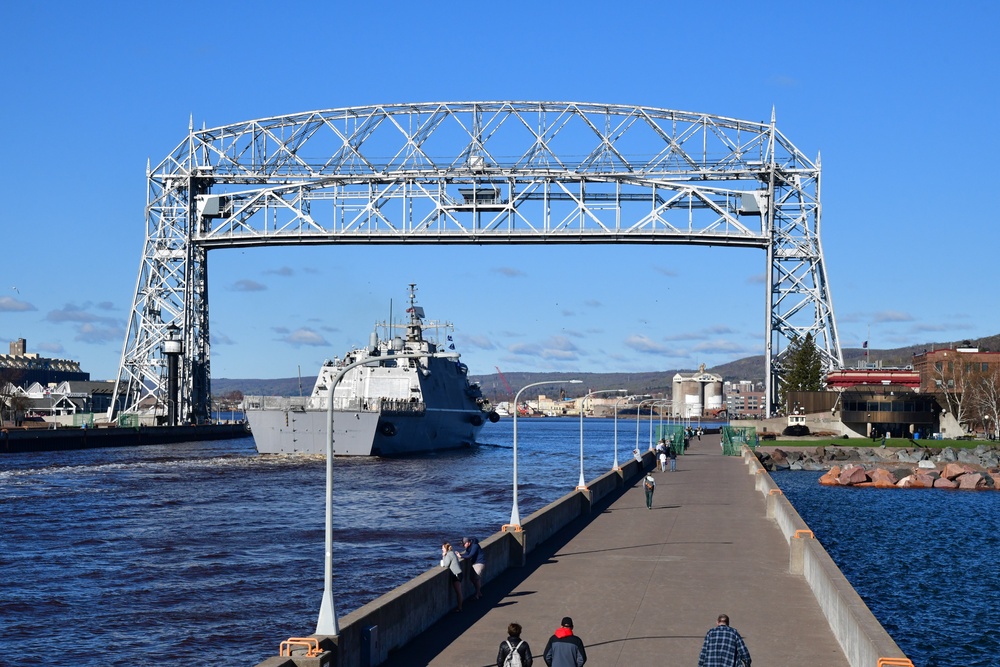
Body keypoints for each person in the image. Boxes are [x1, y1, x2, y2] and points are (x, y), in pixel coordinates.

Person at [440, 541, 463, 612]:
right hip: (459, 573)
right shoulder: (451, 553)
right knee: (458, 592)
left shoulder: (449, 555)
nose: (442, 549)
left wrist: (443, 556)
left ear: (446, 548)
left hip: (456, 574)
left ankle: (460, 608)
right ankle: (460, 607)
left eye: (443, 548)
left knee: (458, 592)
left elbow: (446, 564)